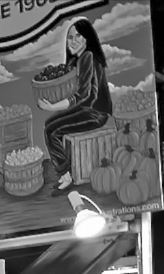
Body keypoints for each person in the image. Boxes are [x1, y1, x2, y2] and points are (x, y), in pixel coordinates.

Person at [38, 17, 112, 195]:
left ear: (87, 38)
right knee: (49, 125)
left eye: (78, 35)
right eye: (70, 37)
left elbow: (84, 95)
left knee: (51, 130)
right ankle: (65, 173)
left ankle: (65, 175)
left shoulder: (88, 57)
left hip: (96, 113)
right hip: (86, 110)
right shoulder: (76, 62)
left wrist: (53, 107)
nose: (73, 41)